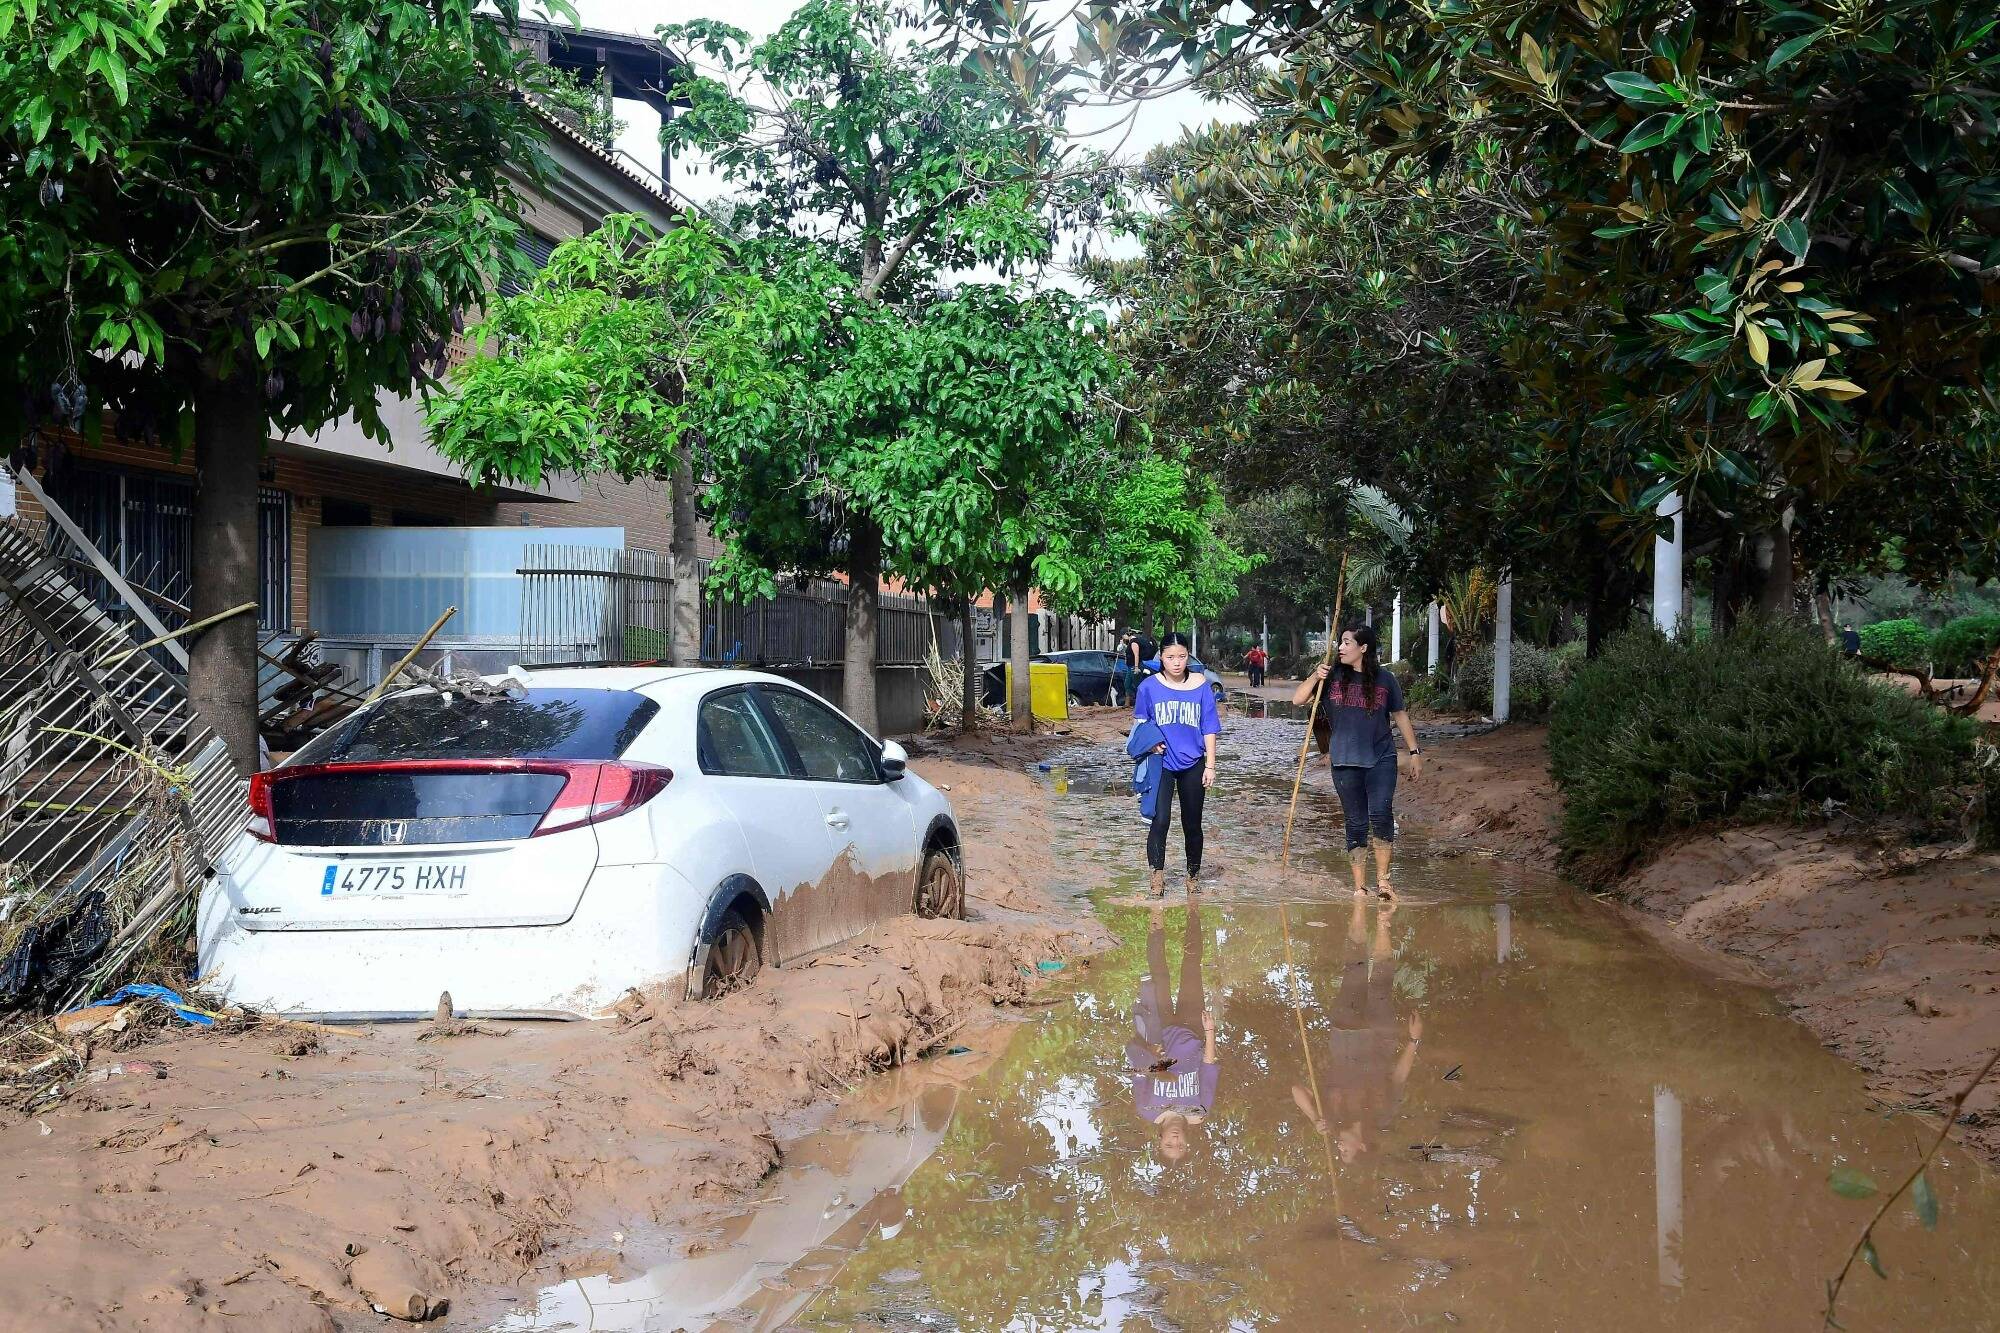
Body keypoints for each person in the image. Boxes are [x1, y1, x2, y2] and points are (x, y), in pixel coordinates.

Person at [1294, 624, 1422, 898]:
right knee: (1356, 822)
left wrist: (1414, 753)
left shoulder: (1386, 680)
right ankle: (1359, 887)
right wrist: (1316, 676)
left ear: (1363, 648)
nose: (1340, 647)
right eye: (1340, 642)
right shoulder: (1330, 676)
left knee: (1381, 814)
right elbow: (1298, 699)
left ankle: (1385, 882)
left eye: (1347, 643)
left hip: (1381, 758)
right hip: (1344, 761)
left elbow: (1400, 716)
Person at [1292, 894, 1421, 1163]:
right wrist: (1413, 1041)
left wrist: (1315, 1118)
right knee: (1381, 981)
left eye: (1339, 1152)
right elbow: (1398, 1077)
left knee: (1354, 971)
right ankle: (1384, 920)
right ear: (1361, 1146)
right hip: (1380, 1036)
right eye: (1345, 1152)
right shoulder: (1383, 1115)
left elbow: (1296, 1090)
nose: (1340, 1148)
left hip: (1345, 1032)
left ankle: (1360, 906)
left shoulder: (1331, 1118)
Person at [1127, 902, 1217, 1166]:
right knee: (1191, 967)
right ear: (1187, 1143)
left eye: (1169, 1145)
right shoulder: (1200, 1112)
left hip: (1159, 1031)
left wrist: (1149, 1060)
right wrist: (1210, 1031)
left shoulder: (1146, 1110)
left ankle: (1157, 914)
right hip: (1194, 1031)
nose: (1175, 1140)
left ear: (1160, 1140)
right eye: (1180, 1146)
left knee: (1159, 973)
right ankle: (1193, 911)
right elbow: (1209, 1067)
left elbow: (1137, 1072)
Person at [1133, 633, 1220, 896]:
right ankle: (1156, 880)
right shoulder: (1148, 687)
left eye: (1182, 656)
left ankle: (1192, 878)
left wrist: (1211, 765)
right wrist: (1150, 743)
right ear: (1161, 657)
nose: (1176, 662)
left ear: (1188, 656)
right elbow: (1140, 724)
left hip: (1193, 763)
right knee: (1160, 821)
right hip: (1161, 764)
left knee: (1192, 824)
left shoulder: (1201, 686)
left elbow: (1210, 728)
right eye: (1170, 657)